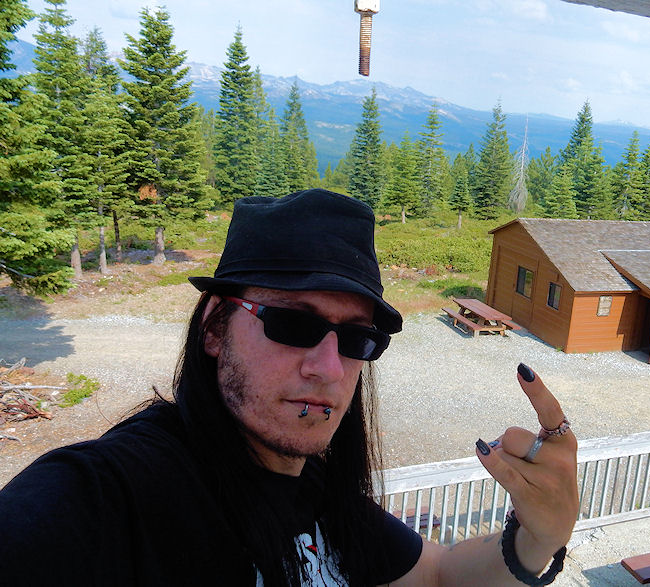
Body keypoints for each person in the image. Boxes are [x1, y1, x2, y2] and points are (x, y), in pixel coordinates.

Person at [0, 189, 578, 586]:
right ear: (215, 328)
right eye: (292, 324)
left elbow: (437, 575)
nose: (329, 368)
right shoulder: (104, 496)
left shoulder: (315, 490)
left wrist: (537, 539)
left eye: (357, 339)